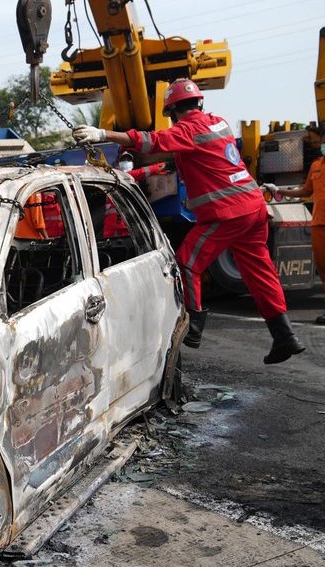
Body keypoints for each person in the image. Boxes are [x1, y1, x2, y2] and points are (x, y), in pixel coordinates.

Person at [73, 78, 304, 364]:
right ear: (199, 102)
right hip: (253, 209)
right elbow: (207, 160)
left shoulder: (187, 130)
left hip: (226, 213)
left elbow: (151, 141)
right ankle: (285, 336)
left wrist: (102, 133)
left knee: (187, 263)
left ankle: (194, 327)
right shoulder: (219, 123)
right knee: (260, 274)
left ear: (171, 111)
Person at [268, 139, 325, 324]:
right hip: (318, 224)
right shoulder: (316, 166)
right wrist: (281, 191)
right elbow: (306, 191)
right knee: (323, 270)